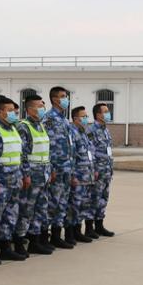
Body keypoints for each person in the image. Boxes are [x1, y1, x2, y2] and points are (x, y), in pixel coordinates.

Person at [45, 86, 90, 246]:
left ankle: (57, 237)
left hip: (67, 170)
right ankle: (44, 238)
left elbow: (70, 147)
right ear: (55, 99)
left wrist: (71, 170)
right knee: (52, 205)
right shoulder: (49, 119)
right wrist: (51, 169)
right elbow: (47, 146)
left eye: (66, 96)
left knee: (62, 205)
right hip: (56, 170)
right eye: (63, 96)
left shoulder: (64, 120)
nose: (66, 99)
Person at [17, 95, 57, 254]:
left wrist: (51, 169)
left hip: (44, 174)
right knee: (27, 210)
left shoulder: (41, 126)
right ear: (29, 109)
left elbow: (47, 150)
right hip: (32, 176)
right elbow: (23, 154)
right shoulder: (23, 127)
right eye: (40, 106)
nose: (43, 109)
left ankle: (36, 240)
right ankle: (20, 241)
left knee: (41, 209)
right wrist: (26, 174)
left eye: (43, 106)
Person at [0, 99, 27, 262]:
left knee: (11, 215)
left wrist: (22, 175)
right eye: (10, 110)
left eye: (14, 111)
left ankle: (5, 247)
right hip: (2, 181)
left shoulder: (13, 129)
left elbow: (19, 155)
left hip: (14, 179)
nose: (14, 114)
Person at [66, 106, 97, 242]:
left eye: (86, 116)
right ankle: (70, 233)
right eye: (83, 117)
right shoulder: (72, 133)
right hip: (78, 176)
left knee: (83, 205)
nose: (85, 119)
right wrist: (72, 175)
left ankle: (78, 231)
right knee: (74, 205)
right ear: (75, 119)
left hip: (87, 175)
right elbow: (71, 156)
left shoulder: (84, 132)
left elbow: (90, 153)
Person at [87, 103, 116, 237]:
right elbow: (90, 153)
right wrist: (93, 170)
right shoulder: (91, 130)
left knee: (103, 199)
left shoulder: (105, 129)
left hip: (107, 171)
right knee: (94, 199)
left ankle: (99, 225)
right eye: (105, 111)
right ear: (98, 115)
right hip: (97, 172)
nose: (108, 113)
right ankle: (89, 228)